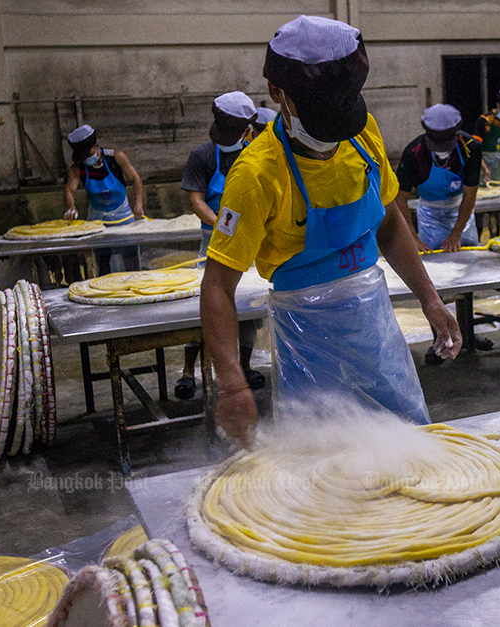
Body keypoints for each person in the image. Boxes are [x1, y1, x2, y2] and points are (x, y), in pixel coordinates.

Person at [199, 15, 462, 446]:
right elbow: (217, 284)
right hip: (306, 333)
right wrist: (231, 383)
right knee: (323, 459)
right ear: (276, 94)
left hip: (373, 322)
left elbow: (389, 222)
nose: (335, 133)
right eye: (325, 118)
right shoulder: (256, 174)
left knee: (409, 444)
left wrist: (430, 299)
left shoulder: (364, 132)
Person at [175, 92, 265, 400]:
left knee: (248, 305)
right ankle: (189, 370)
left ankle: (243, 366)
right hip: (211, 242)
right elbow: (195, 198)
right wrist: (218, 223)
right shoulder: (202, 156)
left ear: (247, 131)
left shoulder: (254, 156)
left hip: (249, 243)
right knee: (205, 304)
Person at [394, 104, 491, 362]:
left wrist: (457, 233)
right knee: (433, 280)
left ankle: (468, 333)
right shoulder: (414, 153)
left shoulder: (471, 148)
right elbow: (399, 197)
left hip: (459, 211)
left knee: (466, 275)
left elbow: (470, 194)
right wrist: (412, 237)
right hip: (429, 214)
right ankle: (440, 340)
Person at [64, 124, 143, 275]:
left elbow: (136, 179)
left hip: (123, 216)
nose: (86, 159)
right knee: (102, 262)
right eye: (83, 157)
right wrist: (71, 207)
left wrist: (138, 204)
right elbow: (69, 189)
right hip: (97, 221)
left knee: (131, 260)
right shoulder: (78, 168)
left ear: (97, 146)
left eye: (88, 154)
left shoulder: (115, 157)